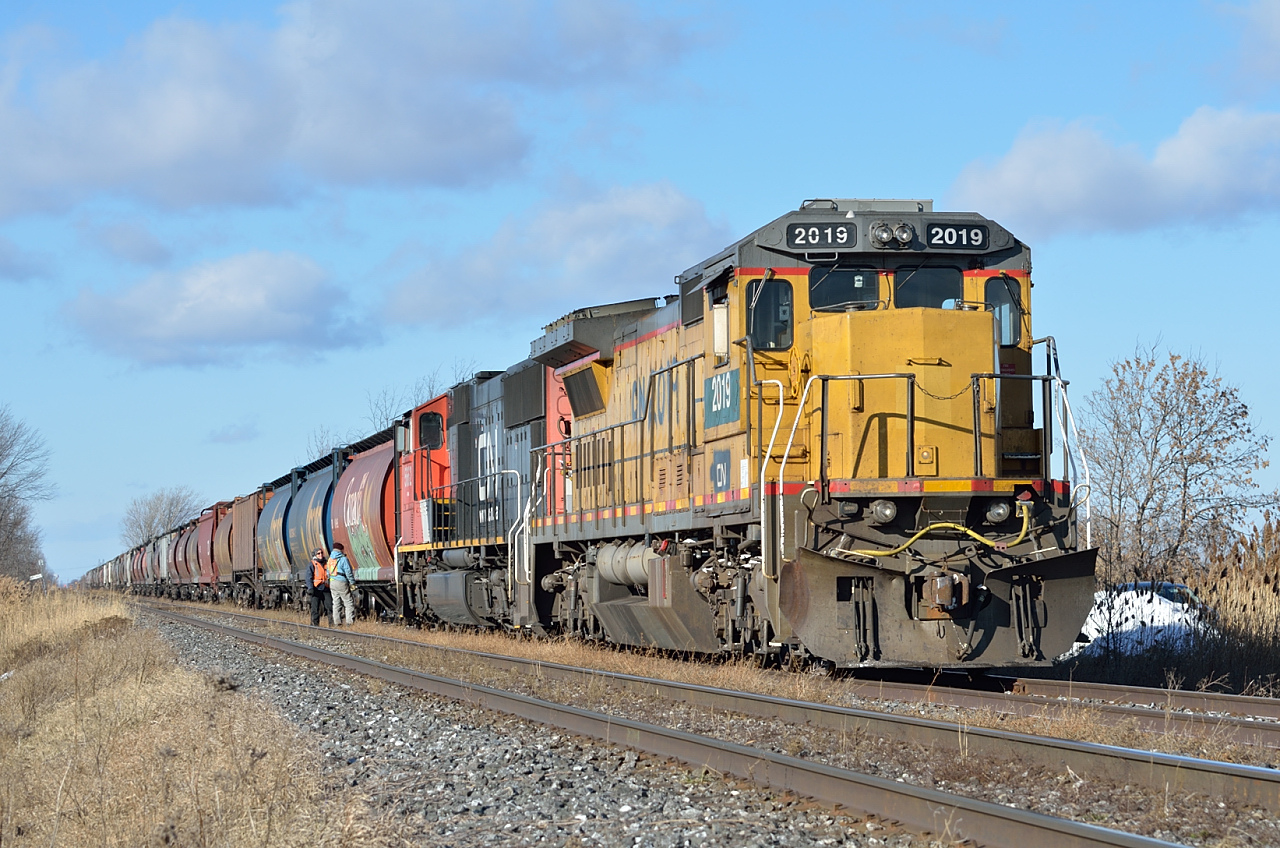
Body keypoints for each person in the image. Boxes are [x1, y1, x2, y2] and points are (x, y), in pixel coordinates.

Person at [328, 542, 357, 626]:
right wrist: (352, 582)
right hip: (341, 581)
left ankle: (337, 622)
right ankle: (349, 622)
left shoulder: (330, 559)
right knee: (348, 602)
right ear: (341, 549)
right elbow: (348, 571)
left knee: (336, 602)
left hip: (332, 582)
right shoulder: (343, 559)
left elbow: (327, 572)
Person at [309, 548, 333, 627]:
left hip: (326, 588)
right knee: (315, 608)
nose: (320, 555)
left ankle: (332, 624)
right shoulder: (312, 564)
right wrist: (310, 588)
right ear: (315, 555)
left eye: (322, 553)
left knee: (329, 606)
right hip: (316, 588)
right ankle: (314, 624)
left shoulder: (327, 563)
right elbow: (308, 577)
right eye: (318, 553)